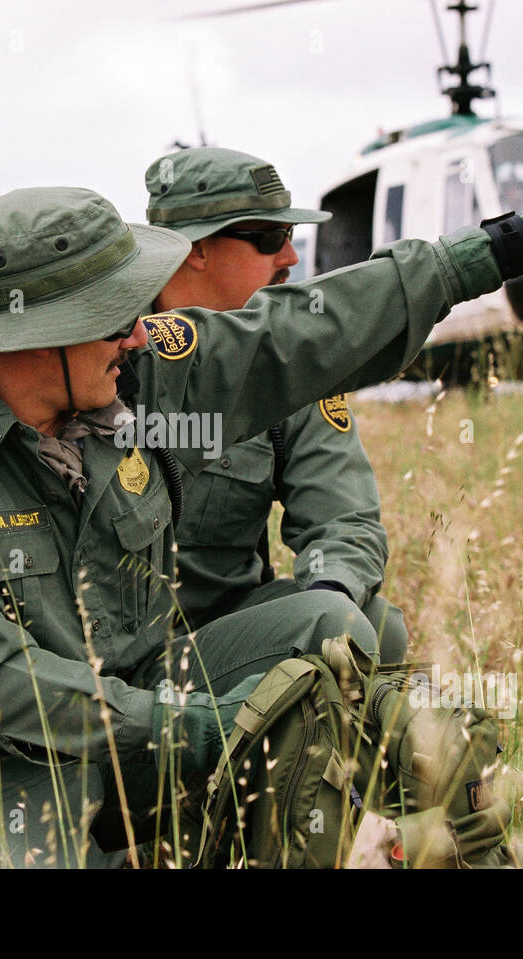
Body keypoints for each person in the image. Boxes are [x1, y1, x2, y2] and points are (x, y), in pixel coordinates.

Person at [0, 159, 523, 867]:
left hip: (135, 693)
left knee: (331, 633)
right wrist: (201, 729)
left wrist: (496, 252)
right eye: (117, 318)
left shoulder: (125, 367)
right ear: (37, 335)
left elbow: (300, 334)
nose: (139, 334)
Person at [144, 146, 407, 660]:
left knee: (372, 625)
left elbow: (344, 519)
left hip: (216, 639)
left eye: (290, 237)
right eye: (269, 237)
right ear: (194, 249)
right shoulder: (107, 351)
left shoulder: (294, 371)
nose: (290, 257)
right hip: (96, 654)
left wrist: (330, 596)